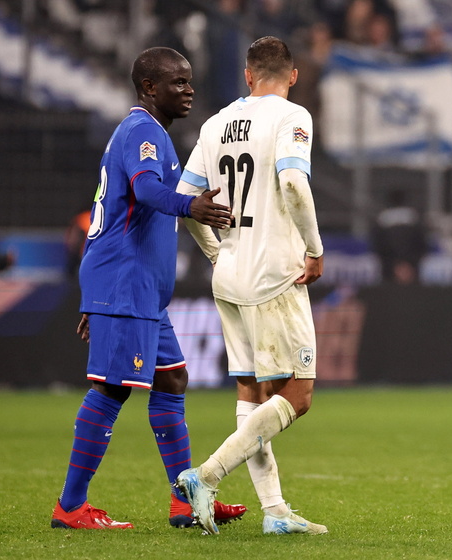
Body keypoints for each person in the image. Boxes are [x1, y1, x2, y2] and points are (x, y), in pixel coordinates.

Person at [50, 46, 246, 530]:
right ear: (149, 88)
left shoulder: (149, 133)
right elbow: (142, 189)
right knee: (112, 390)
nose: (189, 89)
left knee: (172, 380)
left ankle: (185, 501)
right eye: (177, 82)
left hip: (134, 293)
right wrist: (190, 206)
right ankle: (70, 506)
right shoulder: (142, 131)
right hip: (125, 286)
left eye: (190, 80)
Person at [174, 36, 327, 536]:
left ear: (247, 76)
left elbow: (184, 198)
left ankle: (275, 512)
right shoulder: (292, 117)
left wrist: (217, 251)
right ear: (293, 75)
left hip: (230, 275)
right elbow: (293, 183)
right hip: (273, 275)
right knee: (297, 395)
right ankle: (207, 475)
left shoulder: (216, 123)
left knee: (253, 392)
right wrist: (315, 249)